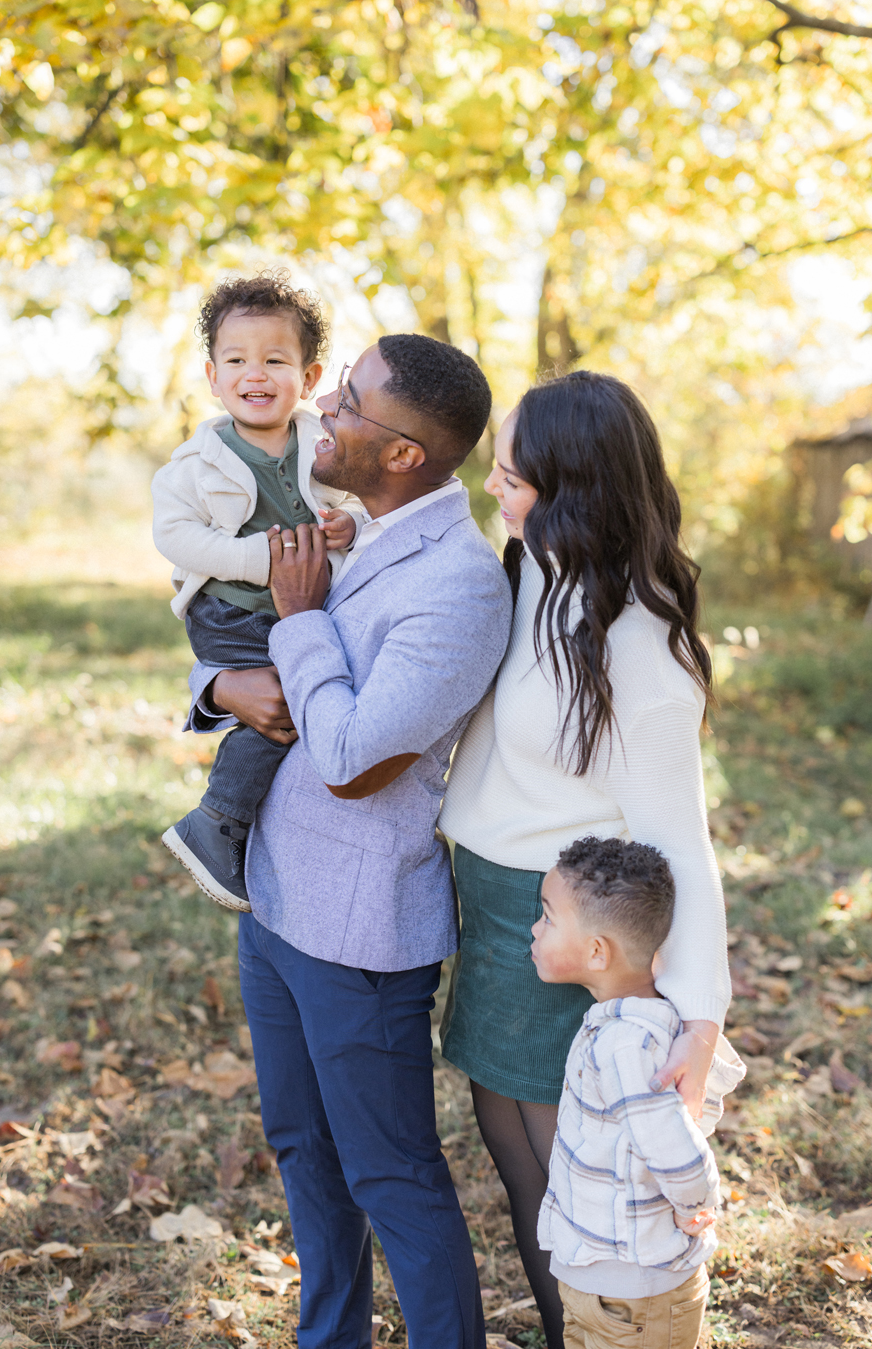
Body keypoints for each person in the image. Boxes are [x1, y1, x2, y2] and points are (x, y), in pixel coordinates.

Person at [185, 334, 513, 1349]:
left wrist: (298, 619)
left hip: (363, 937)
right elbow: (249, 664)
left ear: (404, 450)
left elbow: (355, 758)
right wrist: (213, 682)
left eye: (351, 396)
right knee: (302, 1151)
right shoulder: (352, 528)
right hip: (276, 904)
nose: (320, 401)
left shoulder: (459, 588)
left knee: (393, 1176)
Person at [438, 370, 732, 1348]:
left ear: (574, 491)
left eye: (511, 477)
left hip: (564, 922)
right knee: (514, 1155)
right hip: (493, 905)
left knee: (573, 1187)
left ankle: (606, 1335)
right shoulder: (537, 565)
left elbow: (676, 840)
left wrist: (697, 1015)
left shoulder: (637, 646)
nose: (494, 492)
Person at [151, 270, 363, 911]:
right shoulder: (195, 463)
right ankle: (219, 821)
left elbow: (356, 503)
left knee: (306, 693)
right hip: (231, 611)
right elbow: (177, 537)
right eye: (237, 360)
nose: (256, 374)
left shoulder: (325, 444)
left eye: (276, 360)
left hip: (295, 607)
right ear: (214, 378)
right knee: (291, 698)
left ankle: (234, 824)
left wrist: (349, 523)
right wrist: (258, 560)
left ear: (311, 376)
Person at [531, 836, 744, 1349]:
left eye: (547, 918)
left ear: (597, 952)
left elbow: (673, 1144)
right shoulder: (618, 1028)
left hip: (634, 1295)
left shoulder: (627, 1045)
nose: (535, 930)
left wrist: (693, 1204)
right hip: (599, 1285)